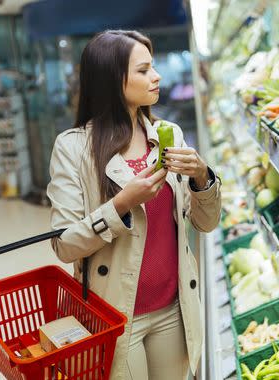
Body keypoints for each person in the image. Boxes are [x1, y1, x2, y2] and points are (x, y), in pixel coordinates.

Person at [46, 30, 221, 380]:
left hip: (174, 307)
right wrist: (121, 205)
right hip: (117, 313)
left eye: (152, 67)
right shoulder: (73, 148)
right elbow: (64, 245)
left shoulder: (167, 134)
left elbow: (205, 223)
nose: (156, 77)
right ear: (112, 79)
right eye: (143, 70)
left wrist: (203, 178)